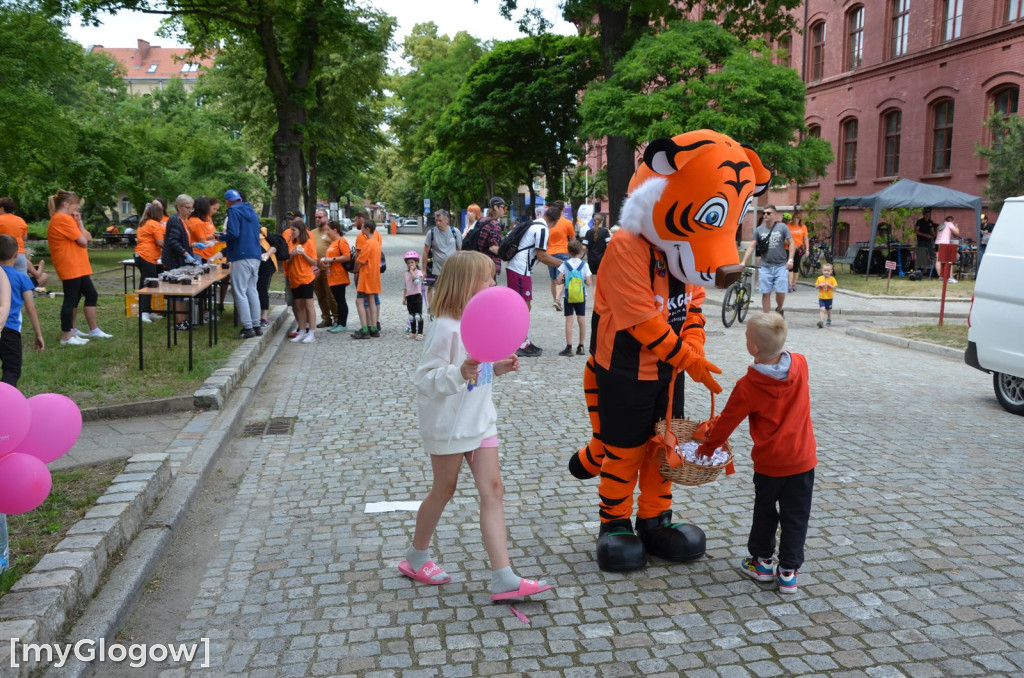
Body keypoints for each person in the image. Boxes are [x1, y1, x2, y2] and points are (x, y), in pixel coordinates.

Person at [401, 250, 552, 601]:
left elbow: (477, 368)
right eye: (488, 278)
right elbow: (426, 379)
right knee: (444, 489)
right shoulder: (444, 327)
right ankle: (416, 557)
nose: (494, 284)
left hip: (480, 421)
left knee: (493, 490)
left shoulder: (479, 323)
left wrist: (495, 368)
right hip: (449, 425)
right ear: (467, 284)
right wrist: (458, 372)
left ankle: (503, 577)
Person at [696, 312, 817, 594]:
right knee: (796, 515)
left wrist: (707, 447)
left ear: (753, 348)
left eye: (747, 336)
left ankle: (761, 562)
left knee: (764, 511)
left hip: (770, 464)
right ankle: (788, 572)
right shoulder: (800, 363)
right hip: (803, 460)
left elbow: (726, 421)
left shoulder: (748, 386)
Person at [47, 190, 113, 345]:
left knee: (90, 294)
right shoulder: (61, 219)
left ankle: (84, 330)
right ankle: (67, 335)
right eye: (75, 207)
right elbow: (83, 241)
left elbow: (87, 238)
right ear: (66, 204)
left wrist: (79, 222)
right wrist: (78, 227)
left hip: (77, 265)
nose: (77, 210)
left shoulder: (67, 219)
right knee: (71, 299)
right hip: (70, 264)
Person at [506, 207, 562, 357]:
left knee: (524, 306)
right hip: (520, 269)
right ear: (555, 222)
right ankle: (520, 343)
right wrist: (562, 264)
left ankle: (522, 340)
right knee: (522, 307)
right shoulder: (543, 230)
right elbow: (542, 256)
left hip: (517, 268)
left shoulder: (533, 224)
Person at [218, 189, 264, 338]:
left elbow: (234, 233)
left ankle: (248, 328)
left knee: (239, 292)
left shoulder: (233, 211)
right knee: (252, 290)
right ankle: (257, 326)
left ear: (228, 201)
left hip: (241, 255)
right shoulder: (251, 210)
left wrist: (221, 237)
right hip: (255, 255)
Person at [1, 234, 44, 386]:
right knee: (12, 371)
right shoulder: (21, 277)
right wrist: (38, 334)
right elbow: (30, 308)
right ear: (15, 255)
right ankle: (5, 404)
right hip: (10, 329)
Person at [741, 205, 794, 316]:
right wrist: (744, 261)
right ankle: (767, 317)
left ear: (774, 214)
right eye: (764, 213)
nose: (765, 215)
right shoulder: (759, 230)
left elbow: (792, 243)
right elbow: (751, 246)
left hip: (780, 265)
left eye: (768, 213)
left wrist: (791, 260)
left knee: (780, 292)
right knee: (766, 293)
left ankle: (779, 309)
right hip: (765, 266)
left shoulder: (782, 227)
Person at [161, 194, 199, 331]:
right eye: (187, 208)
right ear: (178, 207)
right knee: (176, 290)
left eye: (192, 208)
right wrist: (186, 254)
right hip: (173, 260)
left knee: (177, 290)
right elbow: (173, 241)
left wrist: (193, 246)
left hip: (179, 259)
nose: (190, 211)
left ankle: (180, 319)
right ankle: (180, 322)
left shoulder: (183, 220)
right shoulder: (175, 220)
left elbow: (183, 240)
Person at [555, 240, 592, 356]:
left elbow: (558, 280)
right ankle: (581, 347)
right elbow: (589, 282)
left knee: (569, 321)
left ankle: (569, 347)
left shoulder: (565, 264)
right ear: (581, 251)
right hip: (581, 296)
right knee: (581, 319)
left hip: (568, 296)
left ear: (568, 252)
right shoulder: (584, 265)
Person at [284, 216, 318, 343]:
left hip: (306, 277)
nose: (291, 232)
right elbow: (287, 263)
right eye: (291, 230)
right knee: (298, 305)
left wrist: (303, 254)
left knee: (309, 305)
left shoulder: (308, 243)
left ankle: (312, 333)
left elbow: (314, 261)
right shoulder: (291, 243)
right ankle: (302, 330)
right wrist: (291, 256)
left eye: (293, 230)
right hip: (294, 278)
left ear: (300, 230)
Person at [422, 209, 461, 307]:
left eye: (440, 220)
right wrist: (423, 270)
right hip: (436, 270)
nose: (438, 223)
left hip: (452, 269)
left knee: (452, 291)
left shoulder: (455, 232)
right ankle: (432, 310)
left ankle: (450, 309)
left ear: (447, 220)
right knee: (435, 291)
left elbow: (460, 251)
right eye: (436, 221)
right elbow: (425, 252)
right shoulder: (431, 233)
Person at [134, 202, 166, 323]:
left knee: (146, 283)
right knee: (148, 284)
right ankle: (144, 312)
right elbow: (159, 242)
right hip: (147, 256)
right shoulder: (154, 224)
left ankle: (147, 310)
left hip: (141, 255)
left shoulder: (143, 223)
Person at [353, 210, 383, 334]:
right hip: (374, 275)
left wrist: (355, 271)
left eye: (363, 228)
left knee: (359, 301)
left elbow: (360, 260)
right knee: (372, 299)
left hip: (366, 276)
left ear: (367, 229)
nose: (361, 230)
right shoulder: (376, 242)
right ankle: (374, 327)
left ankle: (365, 329)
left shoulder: (367, 243)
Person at [319, 220, 351, 333]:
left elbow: (347, 256)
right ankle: (339, 322)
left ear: (335, 230)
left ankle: (343, 323)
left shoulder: (341, 241)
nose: (327, 232)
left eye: (328, 230)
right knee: (337, 300)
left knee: (340, 300)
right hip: (331, 275)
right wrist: (325, 262)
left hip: (339, 275)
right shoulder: (332, 242)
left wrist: (332, 259)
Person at [463, 199, 504, 279]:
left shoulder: (482, 220)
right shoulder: (495, 224)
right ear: (496, 207)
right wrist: (505, 252)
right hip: (489, 264)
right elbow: (493, 248)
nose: (505, 210)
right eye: (504, 207)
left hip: (477, 261)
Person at [311, 209, 338, 328]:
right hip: (316, 269)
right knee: (320, 296)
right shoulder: (312, 233)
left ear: (326, 217)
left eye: (320, 217)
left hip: (329, 269)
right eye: (316, 217)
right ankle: (326, 318)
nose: (317, 219)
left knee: (331, 295)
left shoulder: (330, 232)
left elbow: (338, 247)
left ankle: (337, 317)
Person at [257, 224, 287, 330]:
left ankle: (264, 317)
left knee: (262, 289)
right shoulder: (242, 230)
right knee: (253, 290)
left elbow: (275, 244)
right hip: (252, 265)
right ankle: (254, 315)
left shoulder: (263, 230)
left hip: (266, 265)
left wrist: (267, 254)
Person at [546, 200, 575, 311]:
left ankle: (555, 300)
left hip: (549, 253)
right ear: (563, 209)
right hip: (563, 252)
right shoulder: (567, 223)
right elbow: (572, 239)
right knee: (561, 278)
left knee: (553, 279)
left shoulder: (550, 223)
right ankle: (558, 300)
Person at [0, 198, 30, 275]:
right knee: (22, 277)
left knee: (5, 279)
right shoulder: (20, 220)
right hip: (19, 253)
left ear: (2, 208)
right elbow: (24, 238)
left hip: (4, 255)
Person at [402, 250, 426, 340]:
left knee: (418, 316)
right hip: (409, 296)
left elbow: (416, 281)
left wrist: (412, 271)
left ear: (416, 262)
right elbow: (405, 286)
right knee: (411, 316)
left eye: (412, 262)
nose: (410, 264)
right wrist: (404, 297)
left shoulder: (419, 273)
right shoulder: (405, 274)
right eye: (408, 263)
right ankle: (412, 332)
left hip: (417, 296)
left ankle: (420, 333)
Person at [935, 215, 960, 283]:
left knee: (938, 260)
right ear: (952, 220)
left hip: (937, 243)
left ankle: (940, 277)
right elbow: (957, 232)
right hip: (944, 243)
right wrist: (956, 227)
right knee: (949, 260)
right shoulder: (949, 224)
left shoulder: (942, 224)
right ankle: (950, 277)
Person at [787, 212, 808, 293]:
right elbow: (785, 237)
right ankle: (789, 284)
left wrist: (807, 249)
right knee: (790, 266)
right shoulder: (788, 226)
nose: (796, 219)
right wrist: (790, 244)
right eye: (794, 218)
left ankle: (794, 283)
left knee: (796, 267)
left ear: (800, 219)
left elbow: (805, 238)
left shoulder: (803, 227)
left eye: (797, 218)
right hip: (789, 249)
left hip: (799, 249)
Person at [815, 263, 837, 328]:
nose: (826, 272)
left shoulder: (832, 279)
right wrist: (819, 285)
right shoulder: (819, 278)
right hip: (821, 297)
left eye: (828, 271)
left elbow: (835, 288)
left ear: (831, 271)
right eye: (825, 270)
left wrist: (830, 285)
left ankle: (829, 319)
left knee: (829, 310)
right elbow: (816, 286)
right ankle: (821, 321)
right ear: (822, 271)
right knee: (822, 309)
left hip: (829, 297)